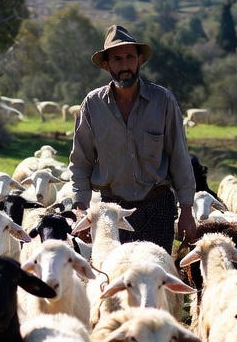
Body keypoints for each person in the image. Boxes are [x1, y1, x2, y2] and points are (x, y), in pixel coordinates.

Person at [70, 24, 198, 253]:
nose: (125, 66)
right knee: (114, 272)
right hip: (112, 210)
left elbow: (179, 157)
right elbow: (81, 161)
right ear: (107, 65)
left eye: (130, 57)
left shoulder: (163, 101)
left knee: (155, 271)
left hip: (157, 206)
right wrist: (81, 209)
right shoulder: (92, 105)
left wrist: (187, 211)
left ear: (140, 60)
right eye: (117, 59)